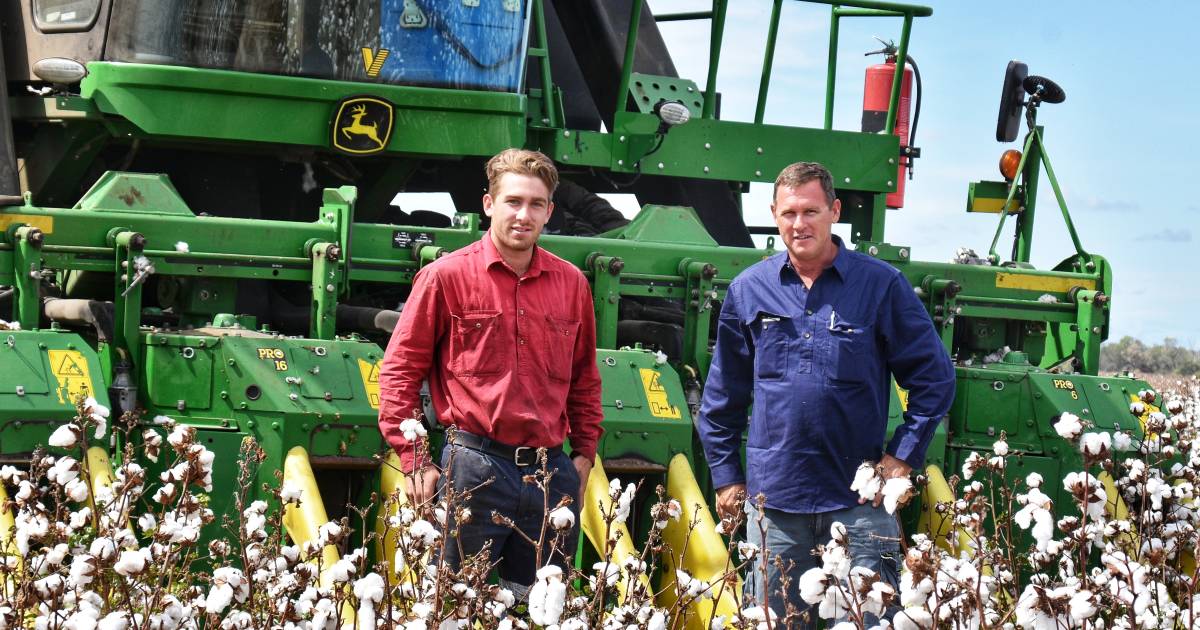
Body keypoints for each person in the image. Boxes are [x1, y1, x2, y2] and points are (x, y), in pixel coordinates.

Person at [696, 161, 955, 620]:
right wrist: (727, 478)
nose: (800, 224)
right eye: (789, 213)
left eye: (811, 211)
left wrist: (901, 458)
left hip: (859, 503)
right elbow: (722, 400)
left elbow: (934, 379)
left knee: (866, 623)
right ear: (774, 213)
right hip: (773, 507)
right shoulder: (748, 291)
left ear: (834, 211)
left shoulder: (881, 286)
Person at [378, 148, 604, 594]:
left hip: (549, 473)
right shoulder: (445, 277)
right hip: (472, 467)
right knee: (455, 606)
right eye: (513, 202)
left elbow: (584, 378)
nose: (524, 215)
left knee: (543, 611)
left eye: (536, 204)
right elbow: (400, 372)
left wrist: (584, 453)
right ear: (488, 205)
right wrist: (415, 459)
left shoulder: (572, 284)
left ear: (550, 212)